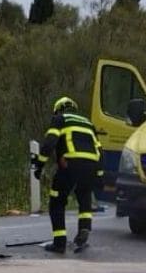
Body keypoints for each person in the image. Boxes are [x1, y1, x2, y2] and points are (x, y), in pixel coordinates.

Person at [33, 95, 101, 254]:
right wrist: (99, 173)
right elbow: (99, 149)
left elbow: (50, 142)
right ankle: (84, 231)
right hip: (91, 164)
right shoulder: (88, 123)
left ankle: (59, 243)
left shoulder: (60, 119)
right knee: (84, 197)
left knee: (57, 202)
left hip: (70, 163)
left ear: (58, 110)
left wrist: (39, 165)